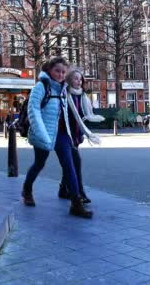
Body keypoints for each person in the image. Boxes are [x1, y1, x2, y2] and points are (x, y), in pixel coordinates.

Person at [21, 57, 93, 219]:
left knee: (69, 166)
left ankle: (76, 203)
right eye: (57, 71)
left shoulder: (63, 88)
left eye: (63, 72)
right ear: (49, 70)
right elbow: (34, 111)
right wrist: (42, 134)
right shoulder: (41, 86)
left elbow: (69, 111)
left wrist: (78, 132)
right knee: (39, 164)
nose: (60, 74)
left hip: (61, 134)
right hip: (44, 133)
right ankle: (27, 189)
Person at [58, 69, 103, 204]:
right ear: (70, 80)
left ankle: (63, 189)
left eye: (81, 79)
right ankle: (79, 193)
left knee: (70, 164)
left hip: (76, 134)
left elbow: (84, 115)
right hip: (65, 135)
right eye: (76, 78)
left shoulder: (82, 96)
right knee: (76, 163)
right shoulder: (64, 95)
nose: (79, 81)